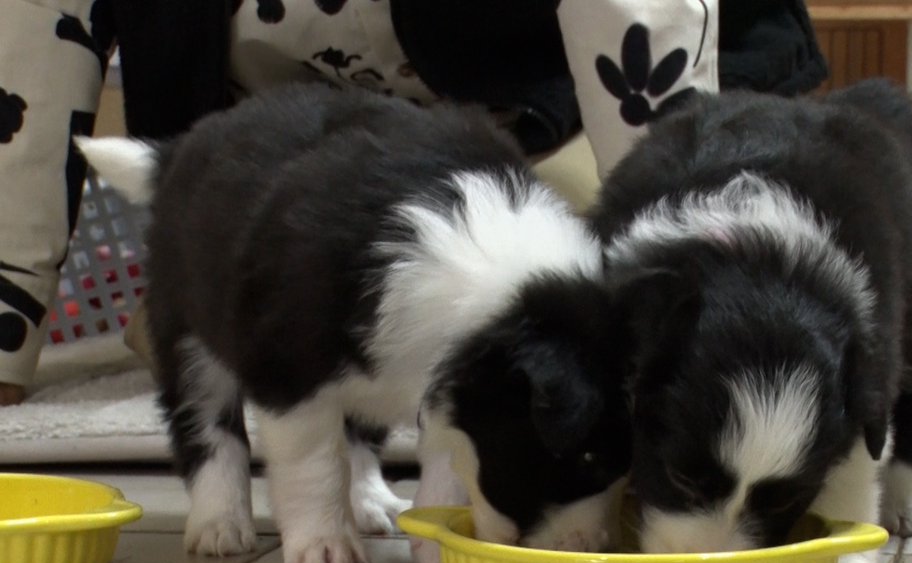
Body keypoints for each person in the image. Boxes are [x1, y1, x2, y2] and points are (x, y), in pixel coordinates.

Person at [0, 0, 828, 406]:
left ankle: (685, 318)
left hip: (567, 120)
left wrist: (689, 310)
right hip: (301, 160)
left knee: (586, 317)